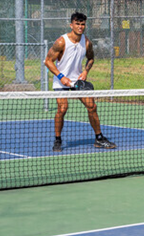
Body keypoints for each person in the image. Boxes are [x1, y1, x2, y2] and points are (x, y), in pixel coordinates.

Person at [44, 12, 116, 152]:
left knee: (92, 107)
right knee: (62, 109)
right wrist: (61, 77)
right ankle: (58, 139)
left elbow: (91, 59)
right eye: (77, 24)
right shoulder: (61, 42)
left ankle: (99, 138)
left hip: (78, 81)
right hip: (61, 81)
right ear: (71, 25)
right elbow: (48, 61)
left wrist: (85, 72)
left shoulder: (87, 42)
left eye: (82, 24)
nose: (80, 27)